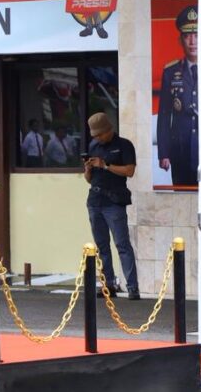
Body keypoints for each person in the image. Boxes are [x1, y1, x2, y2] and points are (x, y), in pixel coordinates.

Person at [83, 112, 139, 300]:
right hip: (95, 200)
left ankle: (132, 287)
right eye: (95, 135)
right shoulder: (93, 146)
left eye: (100, 134)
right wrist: (88, 169)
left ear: (109, 130)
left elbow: (130, 171)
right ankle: (108, 284)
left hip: (114, 202)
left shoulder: (124, 145)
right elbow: (89, 179)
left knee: (122, 244)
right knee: (101, 246)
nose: (97, 138)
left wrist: (106, 165)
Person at [156, 4, 199, 185]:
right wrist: (164, 153)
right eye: (187, 36)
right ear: (180, 40)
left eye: (197, 35)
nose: (192, 42)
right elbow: (164, 115)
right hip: (180, 149)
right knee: (181, 193)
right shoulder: (171, 72)